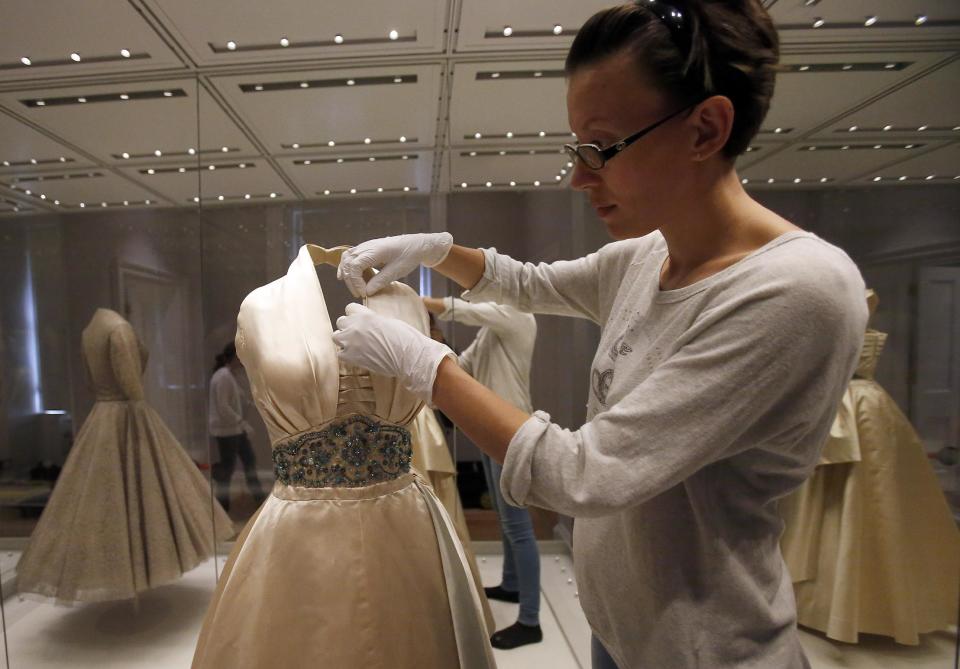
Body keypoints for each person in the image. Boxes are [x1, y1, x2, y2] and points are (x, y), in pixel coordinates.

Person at [333, 2, 868, 667]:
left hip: (705, 648)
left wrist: (430, 368)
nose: (580, 177)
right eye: (576, 149)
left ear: (706, 128)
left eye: (601, 148)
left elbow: (585, 473)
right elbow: (528, 282)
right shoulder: (652, 254)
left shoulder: (797, 291)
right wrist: (435, 247)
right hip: (622, 631)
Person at [424, 295, 543, 649]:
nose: (475, 296)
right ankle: (511, 585)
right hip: (496, 431)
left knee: (519, 528)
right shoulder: (491, 333)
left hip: (515, 432)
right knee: (508, 523)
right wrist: (437, 342)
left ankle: (530, 621)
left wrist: (423, 302)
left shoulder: (517, 314)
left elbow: (472, 311)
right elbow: (464, 369)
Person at [208, 342, 265, 511]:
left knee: (248, 463)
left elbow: (235, 399)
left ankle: (258, 499)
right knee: (229, 469)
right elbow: (223, 406)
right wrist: (241, 422)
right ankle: (223, 507)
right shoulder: (223, 376)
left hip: (234, 430)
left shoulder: (228, 375)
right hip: (228, 431)